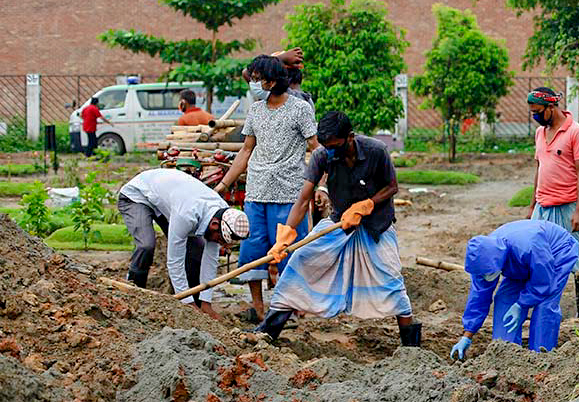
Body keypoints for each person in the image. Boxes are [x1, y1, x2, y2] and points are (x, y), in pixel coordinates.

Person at [255, 111, 420, 345]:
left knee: (391, 279)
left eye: (335, 146)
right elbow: (303, 200)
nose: (330, 151)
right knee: (300, 262)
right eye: (326, 146)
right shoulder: (322, 156)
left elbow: (392, 187)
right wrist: (285, 236)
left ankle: (411, 345)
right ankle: (268, 331)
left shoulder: (376, 151)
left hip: (376, 227)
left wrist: (368, 204)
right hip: (338, 225)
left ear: (350, 137)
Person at [215, 55, 318, 320]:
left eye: (259, 79)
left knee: (288, 251)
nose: (255, 83)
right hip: (257, 192)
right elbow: (246, 149)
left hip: (288, 193)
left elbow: (315, 148)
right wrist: (223, 185)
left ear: (272, 82)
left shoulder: (300, 109)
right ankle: (259, 307)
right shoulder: (256, 110)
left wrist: (321, 185)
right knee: (252, 249)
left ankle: (288, 308)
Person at [118, 168, 250, 318]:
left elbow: (211, 260)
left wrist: (206, 303)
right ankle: (134, 294)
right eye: (219, 240)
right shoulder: (186, 215)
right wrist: (187, 304)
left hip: (165, 199)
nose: (218, 244)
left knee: (196, 251)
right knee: (146, 245)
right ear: (214, 225)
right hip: (137, 195)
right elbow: (174, 261)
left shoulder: (221, 212)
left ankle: (193, 300)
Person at [450, 219, 579, 360]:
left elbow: (543, 282)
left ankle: (542, 357)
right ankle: (505, 353)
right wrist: (467, 335)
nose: (486, 277)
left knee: (544, 305)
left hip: (556, 252)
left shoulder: (527, 246)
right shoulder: (481, 260)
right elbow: (478, 296)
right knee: (504, 299)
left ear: (498, 261)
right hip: (519, 262)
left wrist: (521, 304)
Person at [525, 87, 579, 318]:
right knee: (536, 255)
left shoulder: (576, 132)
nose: (534, 116)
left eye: (537, 111)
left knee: (578, 260)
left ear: (551, 108)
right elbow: (539, 168)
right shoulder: (540, 134)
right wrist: (532, 204)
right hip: (543, 206)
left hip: (567, 207)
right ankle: (539, 307)